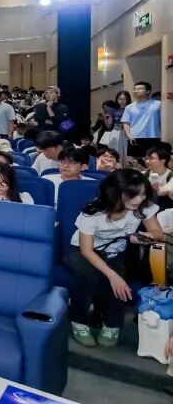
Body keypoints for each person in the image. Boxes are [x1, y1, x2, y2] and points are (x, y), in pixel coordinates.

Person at [66, 169, 163, 347]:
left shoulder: (143, 207)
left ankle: (112, 324)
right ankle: (78, 320)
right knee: (89, 274)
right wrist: (112, 276)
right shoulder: (93, 212)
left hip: (114, 252)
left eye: (143, 194)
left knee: (119, 274)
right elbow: (87, 251)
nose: (139, 199)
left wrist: (144, 235)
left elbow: (158, 233)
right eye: (133, 194)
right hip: (81, 251)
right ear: (115, 193)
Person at [122, 81, 162, 158]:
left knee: (154, 159)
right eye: (135, 89)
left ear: (148, 91)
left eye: (139, 89)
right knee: (137, 160)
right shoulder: (129, 107)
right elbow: (126, 122)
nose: (136, 91)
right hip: (135, 137)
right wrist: (129, 135)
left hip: (154, 136)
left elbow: (164, 120)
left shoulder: (158, 104)